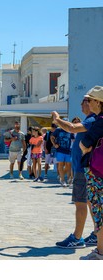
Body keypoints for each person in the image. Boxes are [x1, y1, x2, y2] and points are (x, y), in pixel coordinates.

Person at [52, 96, 96, 249]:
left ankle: (77, 238)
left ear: (93, 103)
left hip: (82, 169)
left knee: (80, 203)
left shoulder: (92, 120)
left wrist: (57, 120)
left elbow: (71, 127)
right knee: (90, 203)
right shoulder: (92, 120)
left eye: (84, 101)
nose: (81, 104)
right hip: (84, 168)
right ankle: (97, 234)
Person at [79, 86, 103, 259]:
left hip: (96, 171)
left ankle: (100, 251)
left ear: (98, 102)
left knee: (98, 210)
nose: (87, 103)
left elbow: (84, 144)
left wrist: (87, 149)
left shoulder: (99, 121)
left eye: (90, 100)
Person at [51, 122, 73, 187]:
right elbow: (52, 137)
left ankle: (66, 178)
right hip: (60, 150)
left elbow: (73, 138)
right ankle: (63, 180)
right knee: (61, 164)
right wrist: (54, 144)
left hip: (68, 150)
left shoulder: (70, 129)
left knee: (68, 165)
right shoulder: (58, 130)